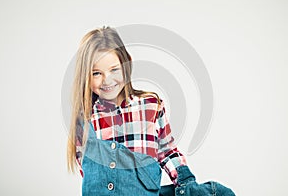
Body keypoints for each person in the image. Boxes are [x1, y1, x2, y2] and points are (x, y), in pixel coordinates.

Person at [67, 26, 235, 195]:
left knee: (217, 193)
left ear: (127, 64)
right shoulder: (86, 119)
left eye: (114, 70)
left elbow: (167, 151)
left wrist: (185, 182)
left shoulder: (150, 106)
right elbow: (89, 173)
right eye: (96, 73)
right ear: (85, 76)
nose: (107, 80)